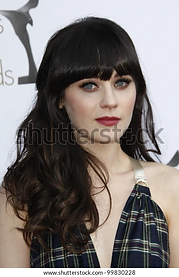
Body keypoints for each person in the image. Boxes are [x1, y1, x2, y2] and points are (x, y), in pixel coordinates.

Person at [0, 16, 179, 269]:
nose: (110, 101)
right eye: (90, 85)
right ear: (59, 98)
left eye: (121, 82)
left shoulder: (172, 188)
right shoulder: (22, 194)